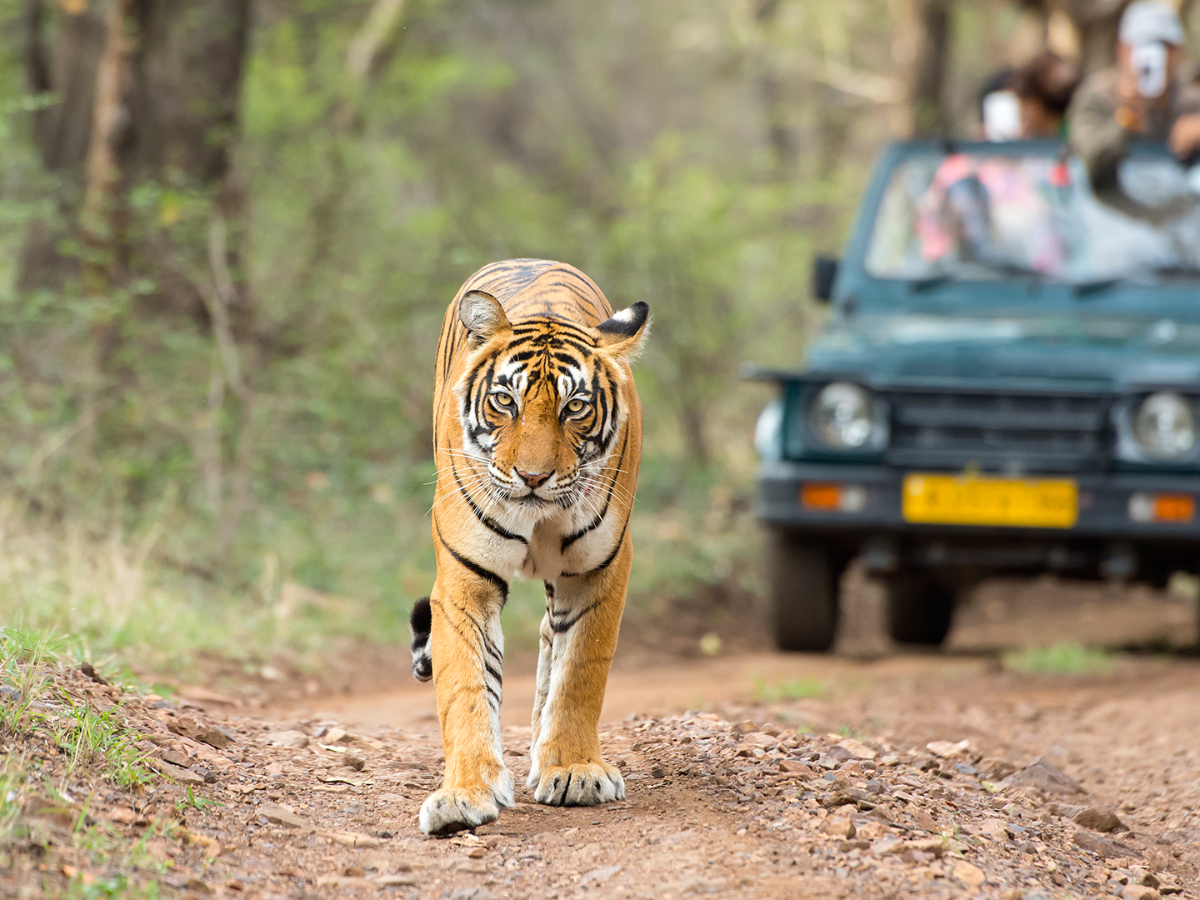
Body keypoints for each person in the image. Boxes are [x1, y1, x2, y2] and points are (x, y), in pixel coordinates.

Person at [1069, 0, 1200, 187]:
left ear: (1179, 51)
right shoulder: (1097, 95)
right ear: (1122, 49)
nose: (1155, 55)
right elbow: (1088, 161)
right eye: (1143, 44)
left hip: (1182, 210)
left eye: (1164, 46)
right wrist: (1126, 120)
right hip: (1109, 212)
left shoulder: (1194, 99)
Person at [1012, 52, 1080, 140]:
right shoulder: (1077, 130)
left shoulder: (1062, 138)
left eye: (1024, 109)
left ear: (1035, 105)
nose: (1023, 117)